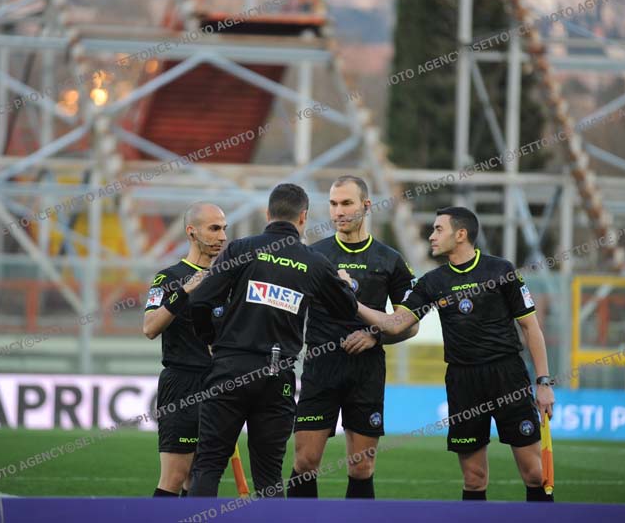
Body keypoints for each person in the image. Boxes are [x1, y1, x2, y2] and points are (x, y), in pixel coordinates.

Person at [356, 207, 556, 502]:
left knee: (535, 475)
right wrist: (353, 304)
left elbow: (530, 327)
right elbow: (396, 324)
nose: (431, 236)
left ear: (461, 234)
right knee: (474, 480)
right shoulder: (432, 282)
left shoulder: (501, 270)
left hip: (508, 377)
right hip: (463, 382)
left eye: (438, 229)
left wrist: (543, 382)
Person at [187, 183, 359, 498]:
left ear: (268, 214)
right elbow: (346, 311)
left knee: (208, 465)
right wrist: (344, 284)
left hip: (230, 368)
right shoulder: (314, 262)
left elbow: (199, 302)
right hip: (277, 376)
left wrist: (212, 339)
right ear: (303, 217)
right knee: (268, 477)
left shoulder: (240, 249)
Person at [287, 175, 418, 499]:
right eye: (333, 204)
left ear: (366, 206)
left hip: (366, 371)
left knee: (362, 467)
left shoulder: (389, 259)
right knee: (305, 462)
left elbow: (410, 325)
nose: (339, 211)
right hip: (321, 368)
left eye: (347, 203)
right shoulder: (314, 255)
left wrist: (377, 337)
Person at [142, 202, 228, 497]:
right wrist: (184, 292)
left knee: (202, 480)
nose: (222, 236)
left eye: (224, 229)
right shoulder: (167, 278)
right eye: (214, 228)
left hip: (219, 385)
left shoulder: (227, 278)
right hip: (181, 384)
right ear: (192, 232)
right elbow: (149, 328)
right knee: (175, 476)